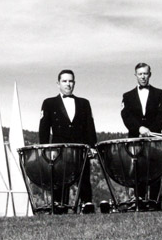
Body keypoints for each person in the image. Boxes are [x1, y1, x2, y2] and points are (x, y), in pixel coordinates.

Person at [39, 69, 96, 214]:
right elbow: (44, 128)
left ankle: (87, 206)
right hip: (59, 150)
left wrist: (92, 146)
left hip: (81, 148)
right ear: (58, 84)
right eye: (64, 81)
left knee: (84, 179)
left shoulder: (84, 103)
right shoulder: (49, 103)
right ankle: (59, 207)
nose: (68, 84)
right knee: (60, 180)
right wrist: (44, 148)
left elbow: (90, 127)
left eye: (71, 81)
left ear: (74, 83)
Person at [119, 62, 162, 210]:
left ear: (150, 74)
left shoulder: (160, 94)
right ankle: (139, 202)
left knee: (155, 170)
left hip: (154, 138)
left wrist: (151, 130)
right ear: (135, 76)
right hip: (135, 138)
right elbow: (125, 116)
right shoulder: (127, 96)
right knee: (138, 170)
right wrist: (139, 128)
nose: (143, 77)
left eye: (145, 73)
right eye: (140, 74)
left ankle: (154, 202)